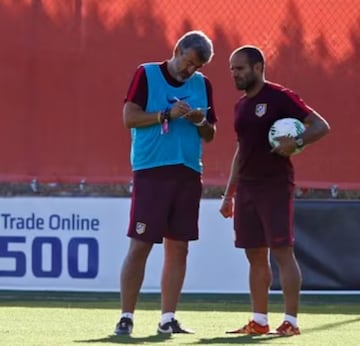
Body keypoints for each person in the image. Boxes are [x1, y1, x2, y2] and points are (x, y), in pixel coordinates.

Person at [219, 45, 330, 336]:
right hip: (246, 189)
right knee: (255, 256)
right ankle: (259, 321)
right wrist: (229, 193)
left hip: (275, 187)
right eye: (231, 69)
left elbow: (321, 126)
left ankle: (290, 322)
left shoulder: (280, 97)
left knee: (282, 253)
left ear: (257, 68)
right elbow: (241, 152)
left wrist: (298, 142)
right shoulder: (240, 106)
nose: (235, 74)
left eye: (240, 68)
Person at [114, 30, 217, 336]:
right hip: (152, 170)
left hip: (188, 171)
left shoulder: (202, 85)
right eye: (188, 62)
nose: (190, 71)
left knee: (179, 248)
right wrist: (165, 114)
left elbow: (211, 133)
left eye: (196, 67)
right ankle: (126, 316)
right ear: (177, 50)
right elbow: (129, 118)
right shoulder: (146, 74)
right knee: (141, 244)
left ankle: (168, 318)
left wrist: (200, 120)